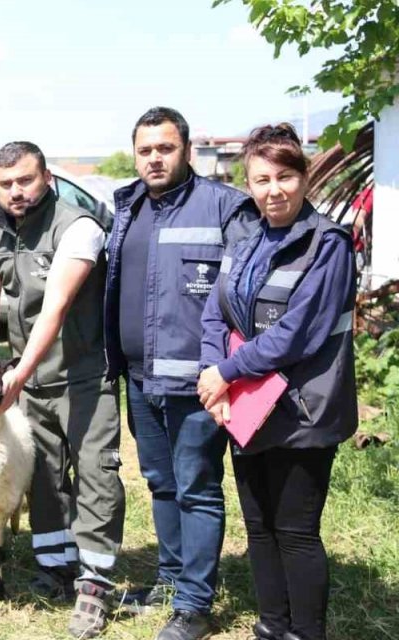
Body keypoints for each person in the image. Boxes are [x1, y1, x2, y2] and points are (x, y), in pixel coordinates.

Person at [198, 124, 357, 640]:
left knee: (295, 532)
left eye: (285, 176)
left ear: (304, 176)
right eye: (262, 179)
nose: (274, 190)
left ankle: (306, 633)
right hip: (247, 407)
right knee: (259, 529)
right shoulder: (243, 239)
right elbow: (215, 313)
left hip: (303, 410)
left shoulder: (327, 244)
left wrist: (225, 373)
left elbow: (298, 333)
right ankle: (272, 628)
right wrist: (213, 379)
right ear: (248, 184)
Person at [103, 107, 253, 640]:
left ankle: (194, 604)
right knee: (160, 483)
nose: (154, 158)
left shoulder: (225, 207)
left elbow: (246, 293)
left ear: (186, 149)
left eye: (164, 148)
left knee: (197, 488)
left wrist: (226, 369)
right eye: (145, 150)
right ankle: (169, 583)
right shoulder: (128, 206)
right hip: (139, 378)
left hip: (199, 383)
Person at [0, 142, 123, 638]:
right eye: (6, 183)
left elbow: (55, 306)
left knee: (96, 474)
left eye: (25, 181)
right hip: (28, 380)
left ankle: (95, 584)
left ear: (47, 178)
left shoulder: (78, 226)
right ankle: (56, 568)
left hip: (81, 375)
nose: (16, 192)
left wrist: (17, 375)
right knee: (43, 477)